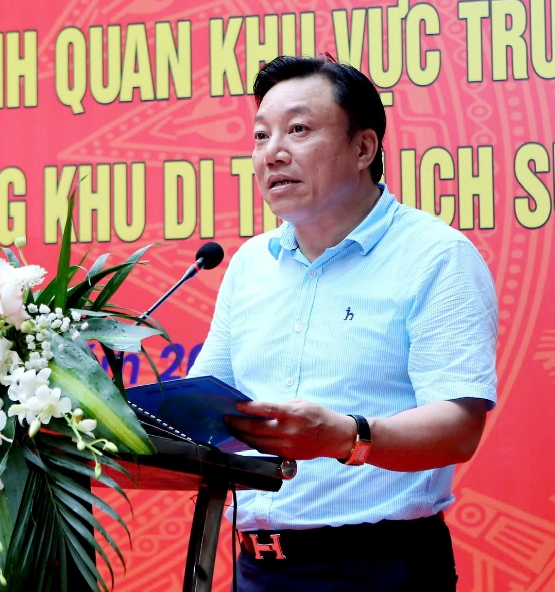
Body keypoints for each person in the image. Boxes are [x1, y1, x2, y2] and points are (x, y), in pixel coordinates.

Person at [187, 54, 498, 591]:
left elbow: (458, 429)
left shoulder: (434, 256)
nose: (272, 152)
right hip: (257, 570)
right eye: (261, 136)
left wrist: (345, 437)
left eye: (298, 130)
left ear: (363, 148)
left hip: (379, 567)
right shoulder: (250, 265)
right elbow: (204, 407)